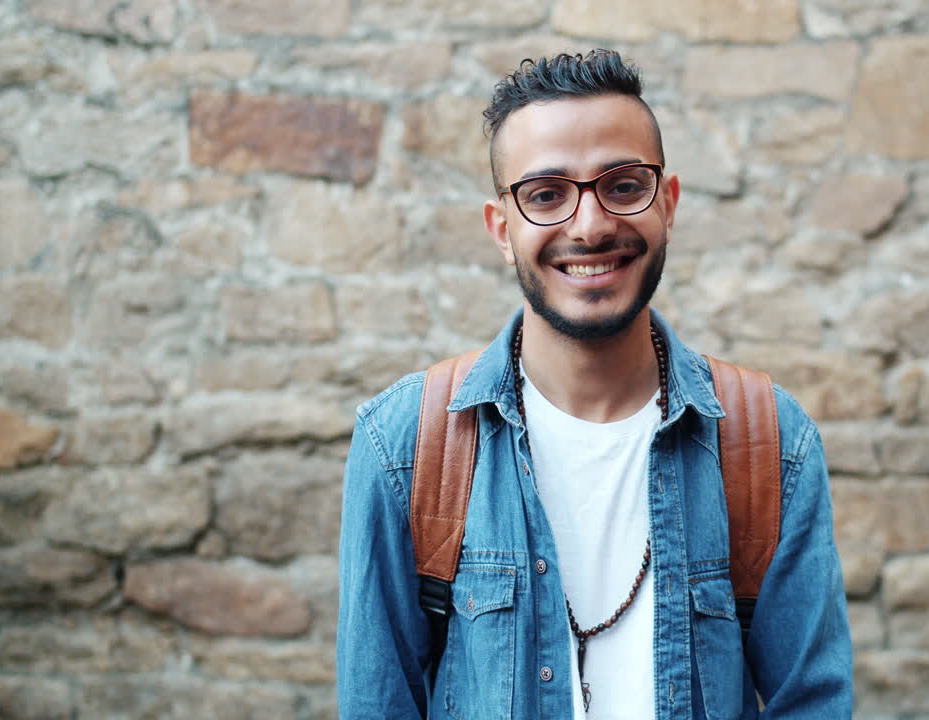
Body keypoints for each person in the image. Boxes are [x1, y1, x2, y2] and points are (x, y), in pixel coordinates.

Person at [336, 50, 852, 719]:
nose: (590, 224)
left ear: (667, 204)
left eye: (623, 185)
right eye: (546, 195)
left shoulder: (767, 444)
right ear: (502, 229)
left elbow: (812, 705)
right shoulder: (405, 444)